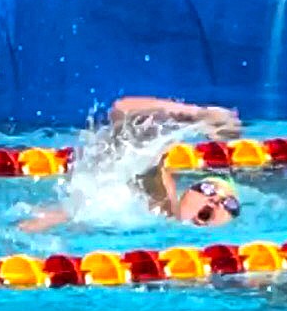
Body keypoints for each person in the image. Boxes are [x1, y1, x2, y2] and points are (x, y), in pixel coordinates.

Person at [19, 96, 242, 232]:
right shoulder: (160, 200)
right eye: (207, 188)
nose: (215, 199)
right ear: (186, 192)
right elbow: (123, 110)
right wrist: (197, 115)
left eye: (230, 204)